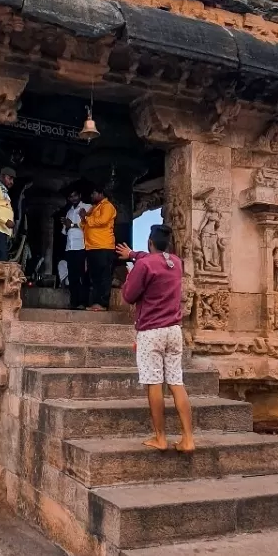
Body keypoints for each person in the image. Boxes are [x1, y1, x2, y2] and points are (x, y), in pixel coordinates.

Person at [117, 224, 194, 452]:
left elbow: (129, 296)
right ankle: (188, 438)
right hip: (174, 330)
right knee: (176, 382)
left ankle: (160, 437)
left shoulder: (144, 265)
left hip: (151, 332)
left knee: (154, 383)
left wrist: (130, 274)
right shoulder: (176, 263)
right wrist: (132, 254)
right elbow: (152, 260)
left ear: (150, 242)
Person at [80, 187, 117, 310]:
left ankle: (103, 303)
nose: (92, 195)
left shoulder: (107, 206)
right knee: (94, 277)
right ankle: (95, 303)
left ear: (101, 194)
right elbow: (83, 225)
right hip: (92, 247)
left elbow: (102, 221)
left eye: (94, 193)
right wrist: (83, 218)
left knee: (103, 276)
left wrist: (86, 218)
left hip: (104, 246)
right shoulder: (93, 208)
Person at [61, 188, 88, 310]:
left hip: (81, 246)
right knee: (72, 276)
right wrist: (67, 226)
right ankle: (74, 302)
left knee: (81, 275)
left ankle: (83, 302)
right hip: (70, 247)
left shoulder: (87, 208)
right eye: (71, 197)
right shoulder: (69, 212)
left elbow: (88, 225)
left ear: (80, 195)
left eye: (75, 195)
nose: (73, 198)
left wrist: (71, 224)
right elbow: (65, 231)